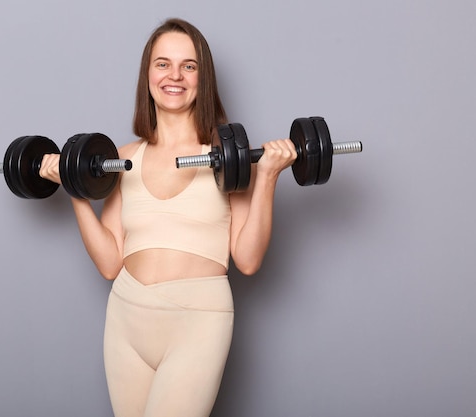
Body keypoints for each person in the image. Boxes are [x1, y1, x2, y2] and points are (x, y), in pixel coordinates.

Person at [39, 18, 296, 417]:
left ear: (202, 78)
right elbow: (110, 262)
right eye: (162, 64)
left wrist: (266, 178)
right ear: (147, 75)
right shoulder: (123, 158)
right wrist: (74, 188)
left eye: (188, 66)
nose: (174, 75)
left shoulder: (229, 157)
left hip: (197, 320)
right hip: (126, 316)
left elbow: (247, 259)